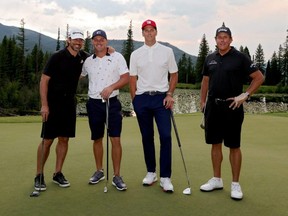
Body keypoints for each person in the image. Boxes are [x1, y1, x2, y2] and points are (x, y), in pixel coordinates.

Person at [199, 23, 264, 200]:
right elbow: (205, 80)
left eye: (225, 37)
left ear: (231, 39)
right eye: (219, 37)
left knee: (234, 146)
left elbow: (259, 77)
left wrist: (246, 94)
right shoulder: (210, 58)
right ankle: (216, 179)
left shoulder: (240, 58)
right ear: (215, 40)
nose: (222, 40)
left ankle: (235, 184)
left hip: (232, 107)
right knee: (215, 143)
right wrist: (202, 100)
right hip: (213, 107)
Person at [33, 29, 90, 191]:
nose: (78, 42)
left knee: (64, 139)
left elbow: (99, 55)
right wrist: (44, 105)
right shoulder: (57, 57)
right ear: (68, 40)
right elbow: (44, 81)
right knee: (48, 139)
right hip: (53, 104)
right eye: (75, 40)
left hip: (69, 104)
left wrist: (109, 50)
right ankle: (39, 175)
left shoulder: (82, 57)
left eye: (80, 40)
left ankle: (57, 173)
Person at [129, 19, 178, 193]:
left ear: (156, 32)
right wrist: (135, 100)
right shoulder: (136, 54)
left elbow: (174, 74)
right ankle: (151, 172)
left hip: (161, 99)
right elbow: (132, 79)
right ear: (142, 33)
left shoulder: (167, 51)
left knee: (165, 136)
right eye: (146, 30)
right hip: (142, 99)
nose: (149, 33)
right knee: (147, 137)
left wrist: (170, 94)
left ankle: (165, 177)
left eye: (152, 30)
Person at [81, 29, 129, 191]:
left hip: (112, 103)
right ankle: (99, 171)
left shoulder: (117, 57)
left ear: (107, 42)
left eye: (102, 39)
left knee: (115, 138)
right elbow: (79, 74)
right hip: (94, 104)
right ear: (93, 42)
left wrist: (111, 87)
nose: (99, 42)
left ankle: (116, 175)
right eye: (96, 39)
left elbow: (125, 78)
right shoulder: (88, 61)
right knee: (97, 138)